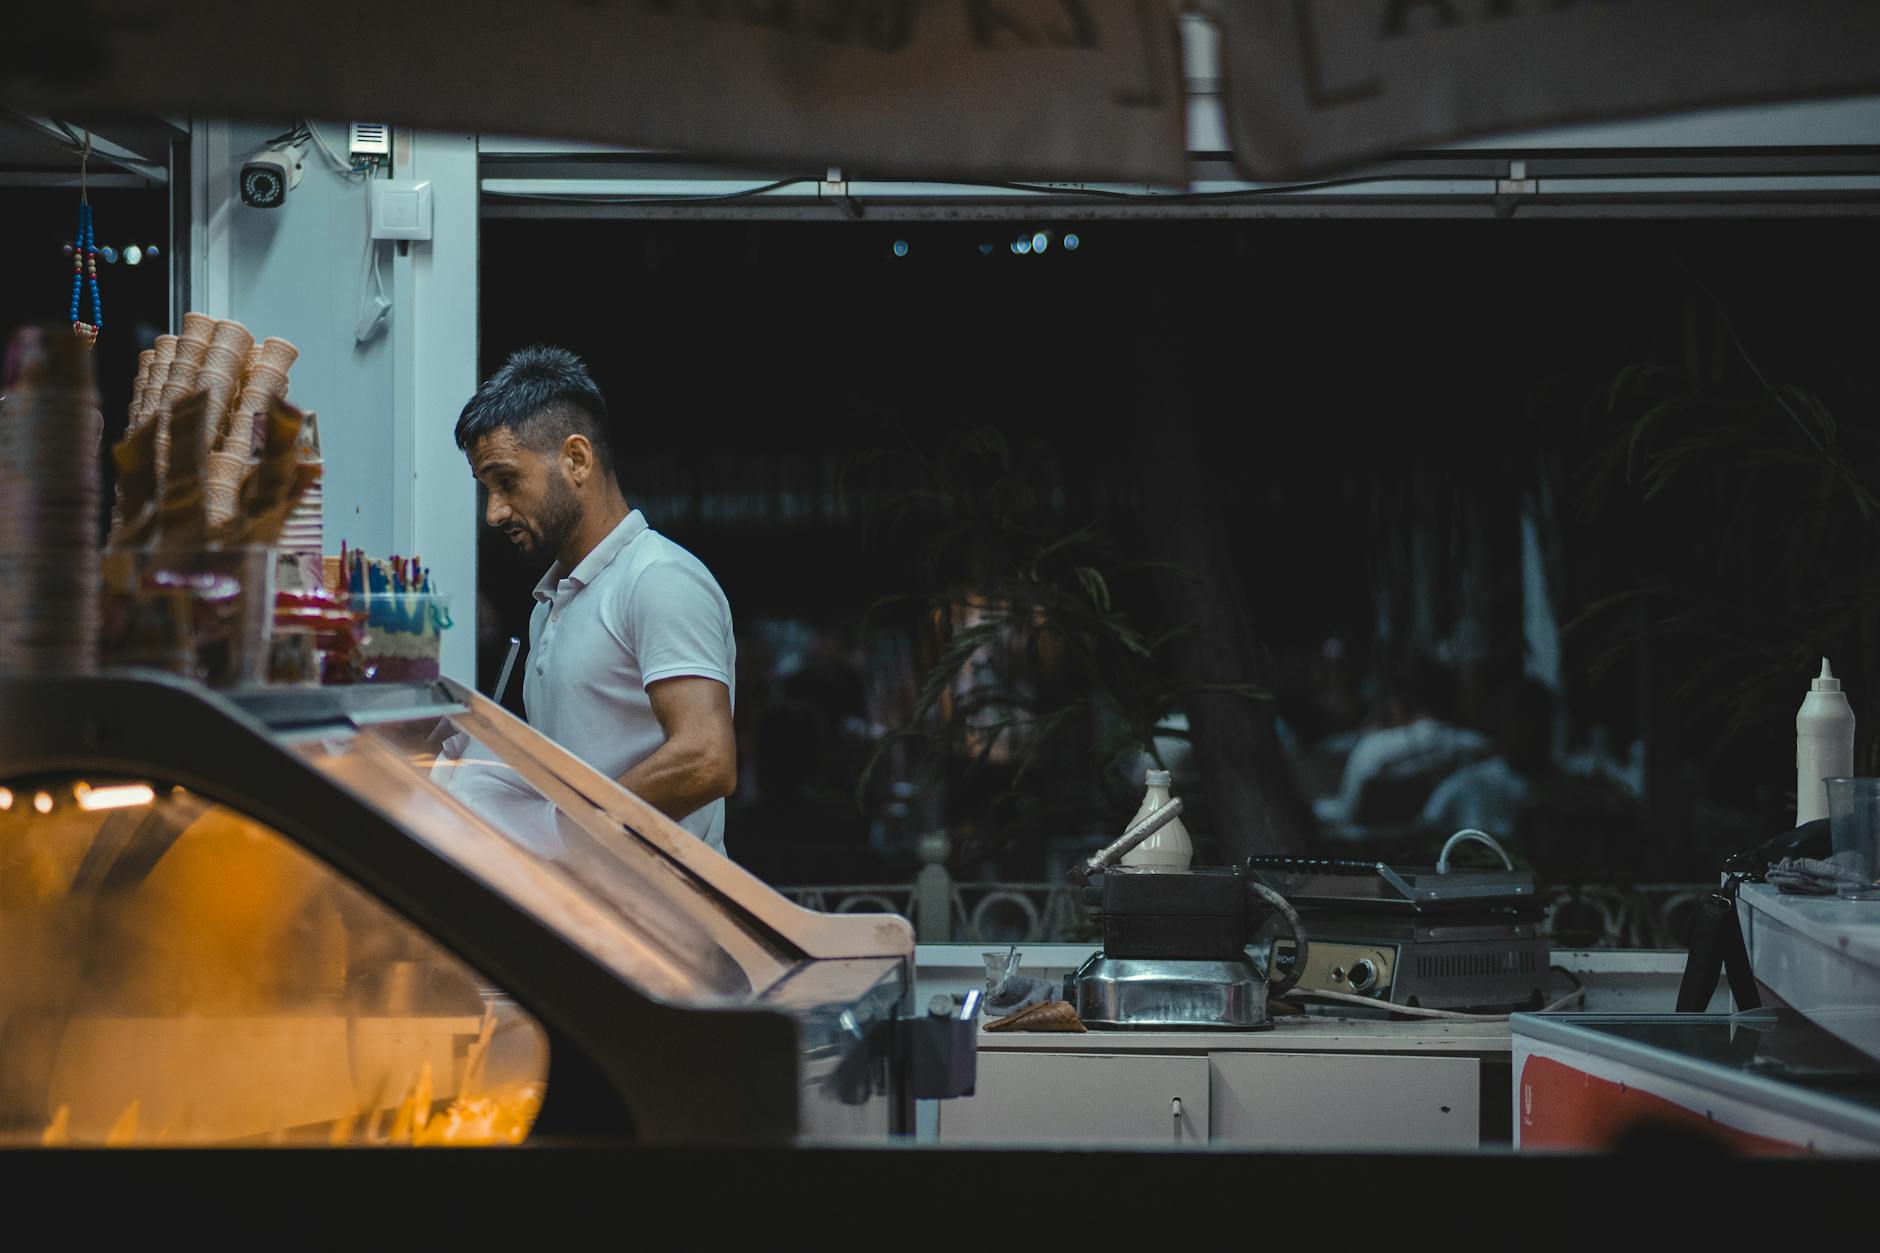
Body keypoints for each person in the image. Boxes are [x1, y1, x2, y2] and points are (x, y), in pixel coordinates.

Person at [455, 346, 737, 850]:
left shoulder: (658, 578)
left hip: (666, 920)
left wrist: (561, 830)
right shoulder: (553, 602)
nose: (494, 512)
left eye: (507, 481)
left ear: (577, 459)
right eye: (486, 489)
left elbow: (706, 759)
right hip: (596, 910)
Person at [1317, 657, 1489, 828]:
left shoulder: (1373, 749)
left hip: (1375, 849)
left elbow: (1349, 812)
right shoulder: (1478, 747)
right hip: (1443, 847)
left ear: (1401, 702)